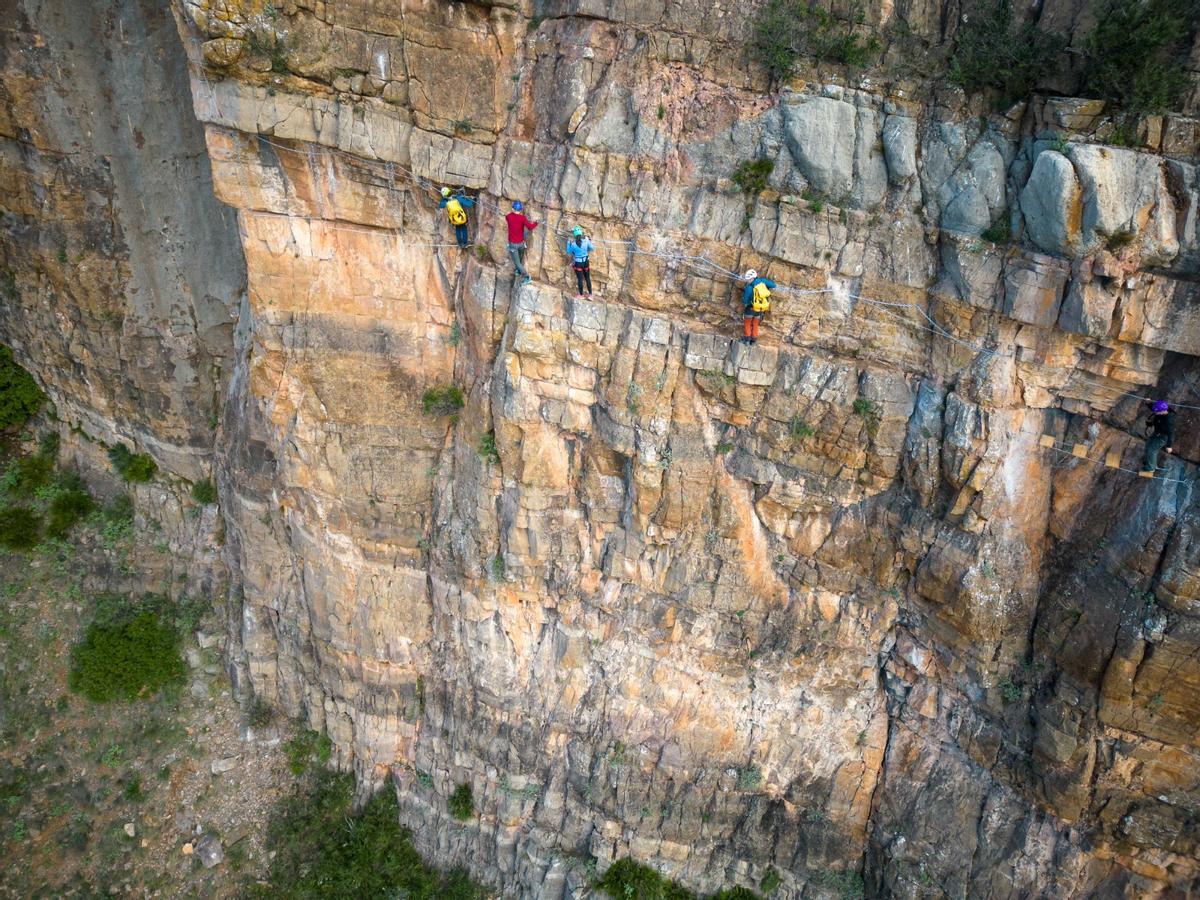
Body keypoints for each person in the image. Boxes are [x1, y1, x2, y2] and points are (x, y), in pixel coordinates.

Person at [505, 200, 538, 284]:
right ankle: (519, 271)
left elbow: (510, 217)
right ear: (520, 210)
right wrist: (536, 223)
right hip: (521, 244)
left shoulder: (508, 217)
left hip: (513, 245)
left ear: (513, 208)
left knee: (517, 263)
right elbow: (530, 227)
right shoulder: (522, 218)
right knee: (519, 258)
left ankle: (527, 276)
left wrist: (513, 212)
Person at [740, 269, 775, 345]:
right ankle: (753, 340)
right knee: (755, 324)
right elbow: (773, 285)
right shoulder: (763, 281)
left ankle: (746, 340)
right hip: (760, 309)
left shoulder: (749, 287)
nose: (747, 281)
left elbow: (745, 300)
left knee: (747, 323)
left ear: (752, 278)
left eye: (748, 279)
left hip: (750, 308)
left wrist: (746, 303)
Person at [1143, 400, 1175, 474]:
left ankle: (1150, 468)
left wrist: (1169, 446)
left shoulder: (1168, 420)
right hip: (1157, 433)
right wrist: (1149, 403)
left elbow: (1171, 433)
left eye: (1157, 412)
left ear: (1163, 411)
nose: (1155, 413)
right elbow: (1154, 408)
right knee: (1148, 445)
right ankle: (1149, 461)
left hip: (1162, 437)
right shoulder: (1161, 411)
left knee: (1152, 450)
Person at [566, 226, 594, 298]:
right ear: (581, 233)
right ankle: (590, 295)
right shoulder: (586, 240)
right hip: (586, 262)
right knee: (587, 278)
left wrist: (568, 242)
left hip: (578, 264)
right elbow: (592, 248)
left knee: (580, 279)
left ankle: (581, 295)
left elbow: (568, 251)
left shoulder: (573, 244)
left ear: (575, 235)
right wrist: (589, 241)